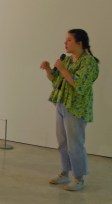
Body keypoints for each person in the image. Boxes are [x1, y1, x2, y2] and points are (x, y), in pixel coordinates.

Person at [40, 29, 100, 191]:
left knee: (75, 144)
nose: (65, 43)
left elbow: (79, 84)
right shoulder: (67, 60)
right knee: (62, 142)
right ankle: (64, 172)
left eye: (69, 40)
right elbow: (57, 80)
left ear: (79, 43)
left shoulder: (89, 63)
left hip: (76, 108)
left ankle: (79, 178)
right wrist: (48, 69)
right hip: (62, 103)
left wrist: (63, 69)